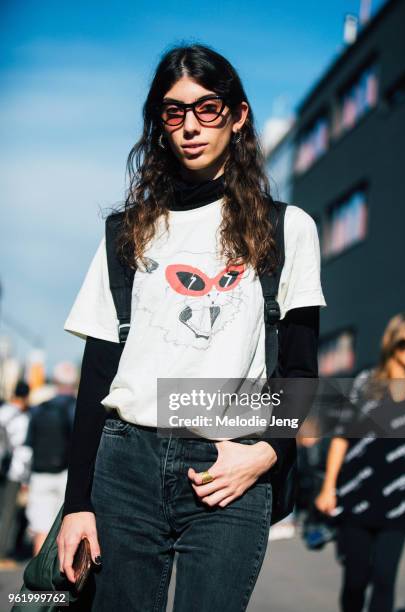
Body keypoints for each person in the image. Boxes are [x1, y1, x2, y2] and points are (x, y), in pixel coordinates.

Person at [58, 43, 326, 611]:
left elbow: (300, 369)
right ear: (160, 125)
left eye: (208, 108)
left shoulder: (288, 229)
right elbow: (98, 374)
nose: (191, 126)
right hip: (125, 463)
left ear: (238, 115)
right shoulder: (125, 233)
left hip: (230, 464)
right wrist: (76, 503)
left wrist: (267, 453)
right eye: (174, 113)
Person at [315, 312, 405, 612]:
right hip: (356, 495)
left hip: (399, 503)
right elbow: (341, 437)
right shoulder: (364, 383)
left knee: (384, 579)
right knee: (356, 579)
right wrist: (328, 487)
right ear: (391, 344)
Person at [25, 362, 77, 556]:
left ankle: (39, 577)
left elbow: (27, 445)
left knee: (41, 527)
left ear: (55, 381)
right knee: (65, 527)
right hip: (67, 475)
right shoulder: (78, 409)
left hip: (40, 473)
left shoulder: (39, 409)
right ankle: (58, 575)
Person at [0, 380, 31, 563]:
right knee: (8, 512)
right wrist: (26, 479)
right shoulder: (22, 418)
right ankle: (3, 550)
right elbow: (24, 451)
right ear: (26, 396)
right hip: (14, 471)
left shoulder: (3, 411)